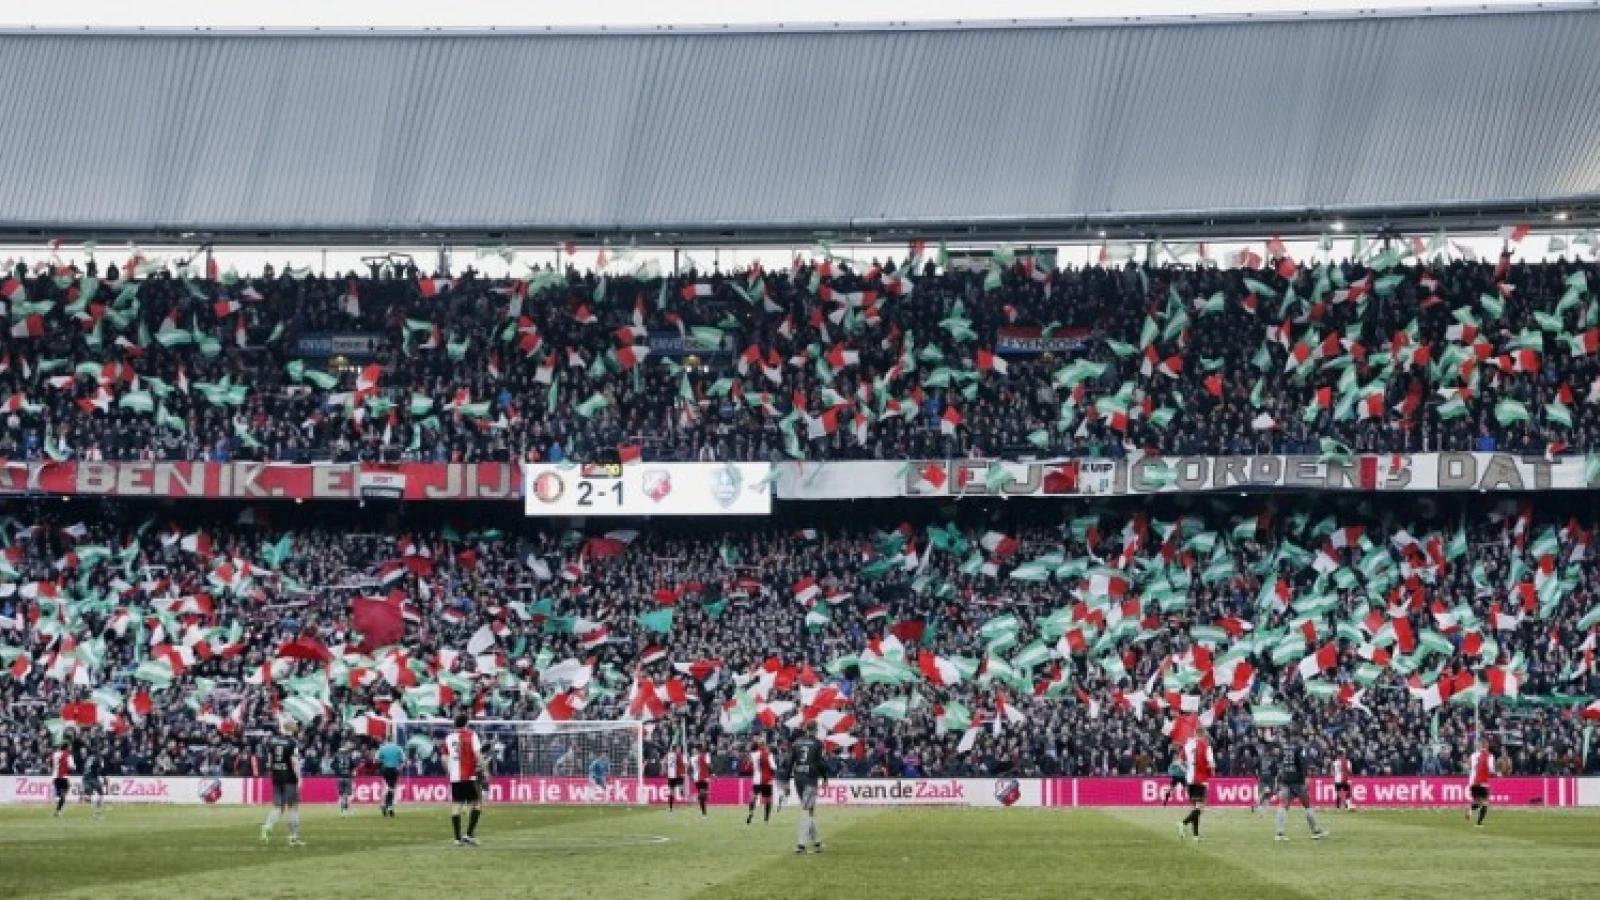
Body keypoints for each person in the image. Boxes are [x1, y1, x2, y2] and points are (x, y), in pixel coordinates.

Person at [444, 712, 486, 846]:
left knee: (456, 805)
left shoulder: (449, 738)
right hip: (469, 775)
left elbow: (444, 757)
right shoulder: (472, 735)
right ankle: (468, 834)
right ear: (466, 723)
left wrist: (449, 771)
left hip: (455, 776)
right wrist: (484, 769)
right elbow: (477, 754)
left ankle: (457, 839)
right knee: (477, 804)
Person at [261, 720, 305, 846]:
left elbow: (269, 761)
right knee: (293, 807)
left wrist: (274, 771)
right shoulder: (292, 742)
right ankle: (293, 837)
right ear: (292, 729)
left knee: (278, 806)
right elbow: (294, 762)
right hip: (289, 777)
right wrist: (299, 778)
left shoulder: (272, 740)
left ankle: (267, 826)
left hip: (276, 776)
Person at [1274, 741, 1327, 842]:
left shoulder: (1284, 747)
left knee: (1283, 805)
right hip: (1298, 781)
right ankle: (1316, 832)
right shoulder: (1299, 747)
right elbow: (1303, 762)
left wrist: (1281, 776)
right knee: (1307, 804)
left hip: (1286, 779)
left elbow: (1280, 762)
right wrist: (1306, 776)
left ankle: (1279, 833)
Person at [791, 721, 829, 854]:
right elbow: (820, 763)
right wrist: (825, 777)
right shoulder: (818, 743)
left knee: (808, 810)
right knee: (808, 811)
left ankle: (817, 843)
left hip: (798, 778)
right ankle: (801, 845)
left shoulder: (796, 742)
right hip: (810, 778)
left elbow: (790, 761)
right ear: (816, 730)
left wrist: (784, 780)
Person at [1178, 728, 1213, 842]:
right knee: (1200, 809)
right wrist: (1211, 771)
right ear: (1202, 734)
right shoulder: (1206, 745)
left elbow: (1179, 762)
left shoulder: (1188, 745)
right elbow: (1211, 764)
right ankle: (1182, 823)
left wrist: (1187, 770)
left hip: (1190, 780)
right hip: (1200, 779)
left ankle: (1196, 836)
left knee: (1195, 808)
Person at [746, 735, 774, 825]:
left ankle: (751, 813)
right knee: (768, 800)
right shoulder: (769, 754)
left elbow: (748, 767)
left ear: (758, 745)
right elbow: (773, 767)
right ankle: (766, 819)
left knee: (753, 797)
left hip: (757, 780)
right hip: (767, 780)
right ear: (765, 745)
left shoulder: (753, 754)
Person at [1467, 737, 1493, 829]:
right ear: (1486, 745)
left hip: (1474, 781)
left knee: (1478, 802)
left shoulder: (1473, 755)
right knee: (1485, 803)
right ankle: (1479, 823)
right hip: (1483, 782)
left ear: (1479, 745)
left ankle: (1470, 810)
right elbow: (1490, 768)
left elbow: (1470, 766)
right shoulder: (1489, 755)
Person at [377, 736, 404, 817]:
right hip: (394, 769)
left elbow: (376, 759)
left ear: (387, 740)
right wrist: (399, 767)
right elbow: (403, 760)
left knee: (386, 787)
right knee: (392, 788)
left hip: (385, 769)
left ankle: (384, 804)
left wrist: (383, 761)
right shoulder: (399, 748)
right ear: (393, 740)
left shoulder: (382, 748)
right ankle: (389, 806)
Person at [49, 740, 74, 819]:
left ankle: (58, 805)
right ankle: (58, 811)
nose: (70, 748)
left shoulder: (55, 754)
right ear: (66, 747)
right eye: (69, 746)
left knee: (60, 793)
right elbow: (71, 766)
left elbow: (48, 760)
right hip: (63, 776)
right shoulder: (68, 755)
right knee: (64, 793)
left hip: (55, 776)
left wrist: (54, 766)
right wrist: (73, 767)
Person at [1251, 743, 1279, 815]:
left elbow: (1253, 767)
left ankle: (1259, 805)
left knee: (1261, 793)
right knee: (1268, 796)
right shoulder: (1273, 758)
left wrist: (1256, 775)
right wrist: (1275, 777)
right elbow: (1276, 770)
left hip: (1262, 777)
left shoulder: (1260, 758)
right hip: (1270, 778)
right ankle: (1263, 812)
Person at [331, 741, 356, 817]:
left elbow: (332, 765)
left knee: (341, 795)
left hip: (339, 777)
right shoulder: (350, 755)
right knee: (347, 795)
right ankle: (345, 810)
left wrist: (337, 771)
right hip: (348, 776)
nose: (350, 747)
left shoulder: (336, 754)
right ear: (345, 746)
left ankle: (342, 811)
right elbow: (353, 764)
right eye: (349, 745)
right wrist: (351, 770)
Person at [81, 745, 107, 818]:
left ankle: (86, 796)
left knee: (89, 795)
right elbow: (101, 769)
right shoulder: (98, 758)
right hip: (93, 778)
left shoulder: (88, 758)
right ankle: (97, 813)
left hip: (85, 778)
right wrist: (104, 778)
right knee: (101, 794)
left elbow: (86, 767)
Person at [690, 742, 712, 817]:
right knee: (704, 794)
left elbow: (691, 768)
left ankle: (700, 800)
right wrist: (712, 773)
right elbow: (709, 766)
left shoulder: (692, 758)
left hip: (696, 778)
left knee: (703, 793)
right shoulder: (705, 756)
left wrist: (691, 776)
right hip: (704, 777)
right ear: (702, 748)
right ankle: (704, 812)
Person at [664, 744, 687, 812]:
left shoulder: (668, 755)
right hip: (679, 774)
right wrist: (684, 771)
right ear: (676, 749)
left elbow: (664, 763)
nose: (678, 749)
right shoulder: (680, 755)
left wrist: (665, 770)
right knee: (681, 785)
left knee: (671, 791)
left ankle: (670, 808)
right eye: (678, 748)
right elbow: (685, 764)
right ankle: (681, 790)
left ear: (672, 749)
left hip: (671, 775)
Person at [774, 741, 793, 813]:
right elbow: (789, 766)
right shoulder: (788, 756)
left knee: (781, 790)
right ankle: (783, 806)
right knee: (787, 791)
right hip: (785, 775)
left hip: (778, 775)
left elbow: (774, 766)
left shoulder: (777, 756)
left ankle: (781, 803)